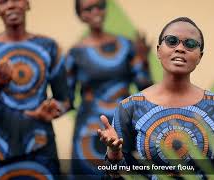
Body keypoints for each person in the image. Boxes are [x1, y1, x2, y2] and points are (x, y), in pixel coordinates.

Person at [98, 17, 214, 179]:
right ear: (158, 50)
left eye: (190, 44)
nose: (180, 48)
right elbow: (115, 176)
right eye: (171, 41)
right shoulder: (130, 107)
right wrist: (114, 153)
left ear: (200, 56)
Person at [65, 0, 153, 178]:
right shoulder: (74, 53)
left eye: (100, 6)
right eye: (88, 9)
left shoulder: (126, 45)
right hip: (89, 133)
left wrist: (145, 60)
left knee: (124, 174)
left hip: (123, 125)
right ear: (80, 16)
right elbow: (66, 98)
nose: (95, 11)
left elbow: (145, 86)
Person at [0, 0, 70, 179]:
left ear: (27, 4)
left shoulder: (49, 47)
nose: (10, 6)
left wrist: (53, 110)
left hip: (41, 144)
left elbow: (65, 100)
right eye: (2, 2)